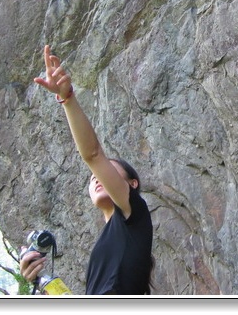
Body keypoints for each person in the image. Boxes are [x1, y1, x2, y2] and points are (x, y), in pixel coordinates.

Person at [20, 45, 154, 295]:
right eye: (92, 178)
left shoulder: (134, 213)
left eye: (104, 171)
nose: (96, 178)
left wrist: (67, 98)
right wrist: (38, 280)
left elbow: (92, 154)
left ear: (132, 184)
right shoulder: (107, 244)